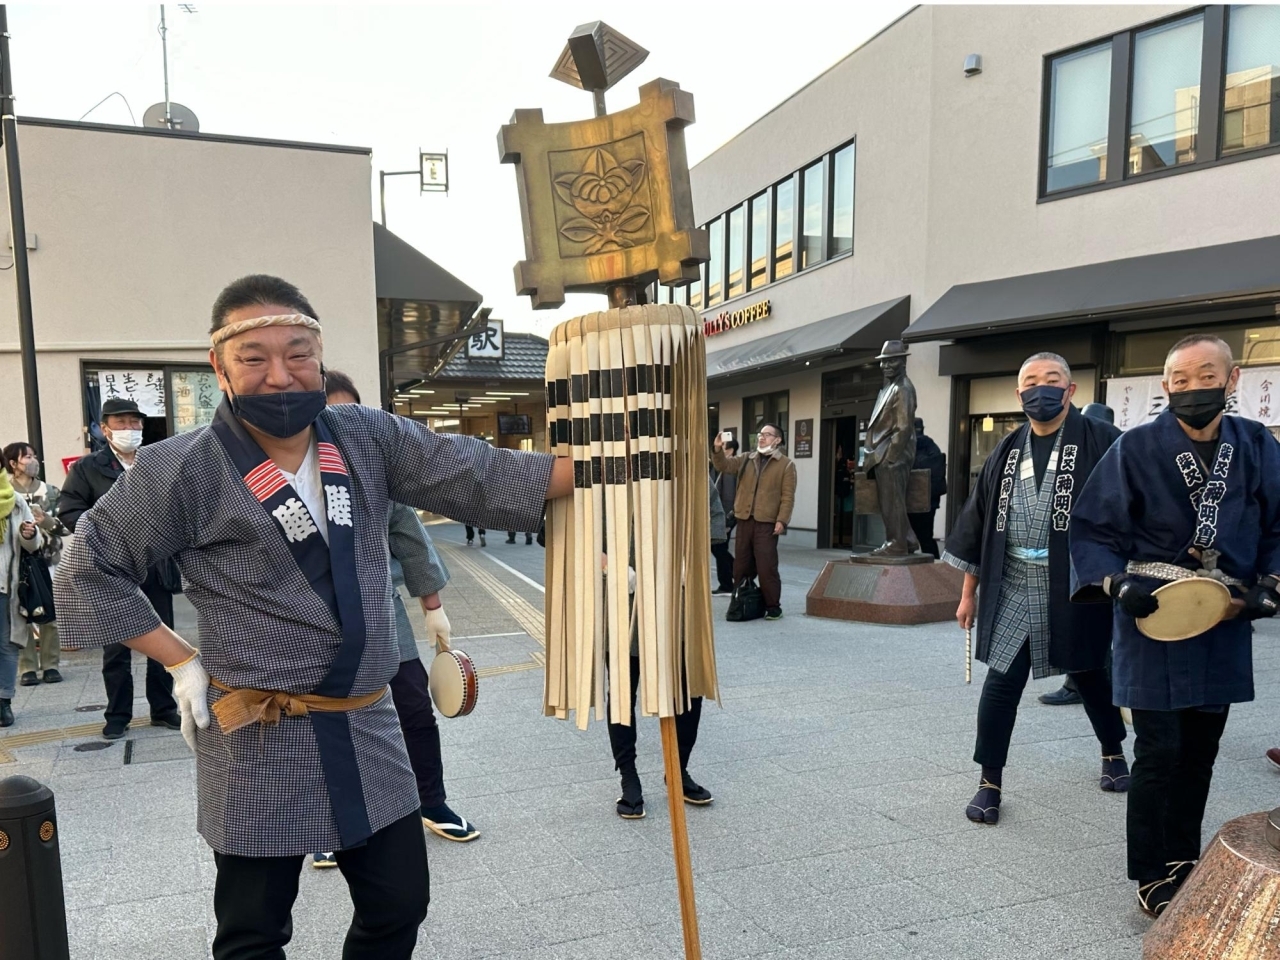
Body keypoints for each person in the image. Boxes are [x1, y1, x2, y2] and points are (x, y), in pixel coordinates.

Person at [54, 275, 574, 960]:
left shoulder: (365, 437)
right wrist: (178, 657)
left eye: (297, 353)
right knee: (253, 931)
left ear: (320, 351)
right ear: (219, 366)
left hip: (365, 720)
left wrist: (623, 463)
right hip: (258, 727)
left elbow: (480, 472)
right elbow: (85, 565)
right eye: (254, 358)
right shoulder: (179, 466)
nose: (279, 375)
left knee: (399, 904)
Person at [1070, 334, 1280, 919]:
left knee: (1201, 751)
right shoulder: (1136, 448)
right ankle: (1149, 872)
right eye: (1180, 380)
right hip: (1154, 615)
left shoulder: (1257, 444)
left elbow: (1278, 526)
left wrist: (1271, 584)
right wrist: (1117, 584)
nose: (1192, 389)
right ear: (1165, 387)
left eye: (1204, 377)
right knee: (1159, 750)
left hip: (1222, 616)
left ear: (1231, 378)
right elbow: (1092, 530)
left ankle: (1184, 858)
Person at [944, 352, 1128, 826]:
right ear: (1019, 393)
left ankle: (1112, 751)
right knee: (1001, 682)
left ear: (1070, 391)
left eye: (1052, 380)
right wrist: (969, 593)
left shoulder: (1104, 442)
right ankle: (989, 781)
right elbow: (977, 522)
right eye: (1031, 381)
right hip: (1012, 583)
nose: (1040, 389)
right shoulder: (1005, 450)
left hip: (1076, 584)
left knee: (1089, 671)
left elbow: (1131, 506)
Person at [311, 370, 479, 870]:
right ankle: (326, 823)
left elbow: (408, 535)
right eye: (330, 413)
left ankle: (431, 800)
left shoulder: (375, 469)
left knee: (413, 710)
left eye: (352, 413)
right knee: (323, 721)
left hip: (383, 616)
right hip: (317, 627)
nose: (341, 424)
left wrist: (434, 608)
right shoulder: (281, 479)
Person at [58, 398, 182, 740]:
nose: (130, 429)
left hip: (155, 565)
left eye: (135, 423)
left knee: (165, 640)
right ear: (104, 428)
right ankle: (117, 714)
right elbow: (68, 510)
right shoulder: (87, 469)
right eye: (122, 423)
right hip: (112, 571)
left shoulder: (155, 463)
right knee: (116, 646)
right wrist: (104, 532)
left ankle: (163, 708)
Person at [1039, 402, 1115, 708]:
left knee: (1089, 621)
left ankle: (1084, 683)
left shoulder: (1110, 454)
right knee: (1087, 621)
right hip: (1078, 549)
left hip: (1097, 552)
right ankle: (1084, 681)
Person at [712, 425, 796, 621]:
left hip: (766, 522)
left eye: (767, 435)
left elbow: (788, 497)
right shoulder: (747, 459)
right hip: (744, 519)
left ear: (777, 440)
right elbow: (723, 465)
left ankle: (773, 607)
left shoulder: (786, 465)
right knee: (740, 565)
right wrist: (717, 449)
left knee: (767, 566)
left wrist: (782, 520)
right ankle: (740, 600)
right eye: (760, 434)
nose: (761, 438)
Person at [4, 442, 67, 684]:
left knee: (50, 612)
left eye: (34, 456)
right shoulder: (6, 493)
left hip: (48, 560)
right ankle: (27, 666)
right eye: (26, 457)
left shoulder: (50, 492)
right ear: (13, 464)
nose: (33, 461)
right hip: (15, 562)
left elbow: (64, 528)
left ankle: (51, 664)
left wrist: (46, 521)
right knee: (19, 613)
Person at [0, 468, 43, 726]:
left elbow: (33, 545)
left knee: (7, 644)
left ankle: (4, 701)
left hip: (7, 584)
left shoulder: (14, 500)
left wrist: (30, 535)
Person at [908, 418, 946, 560]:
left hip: (911, 500)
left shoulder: (909, 447)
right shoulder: (932, 447)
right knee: (926, 537)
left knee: (907, 537)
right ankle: (934, 564)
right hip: (930, 502)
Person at [709, 463, 733, 595]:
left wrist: (727, 522)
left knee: (720, 550)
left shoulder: (729, 468)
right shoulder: (716, 466)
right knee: (720, 551)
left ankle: (730, 581)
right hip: (718, 517)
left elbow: (728, 496)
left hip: (722, 517)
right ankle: (728, 582)